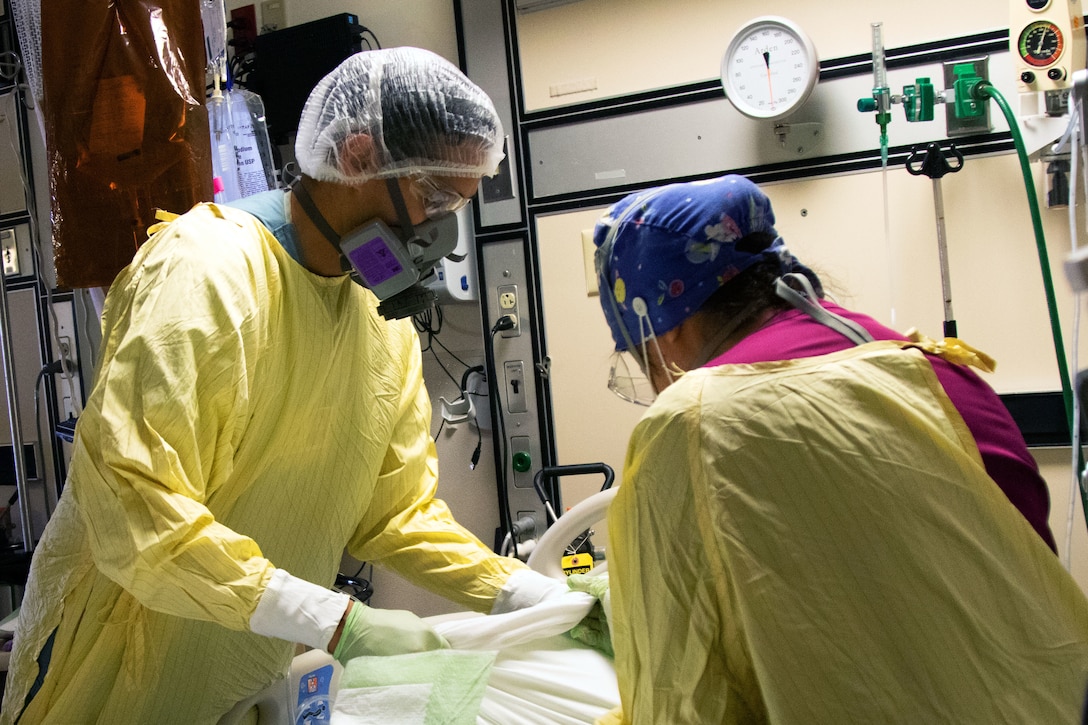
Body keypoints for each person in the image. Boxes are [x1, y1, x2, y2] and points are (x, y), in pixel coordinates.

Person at [0, 47, 573, 724]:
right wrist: (336, 622)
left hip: (241, 673)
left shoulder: (378, 323)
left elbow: (394, 514)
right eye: (434, 197)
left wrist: (525, 596)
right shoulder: (206, 273)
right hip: (112, 670)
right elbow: (140, 512)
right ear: (358, 157)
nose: (442, 234)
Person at [590, 174, 1088, 724]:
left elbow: (680, 691)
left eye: (641, 355)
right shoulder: (933, 366)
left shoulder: (693, 423)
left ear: (665, 327)